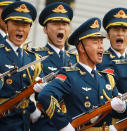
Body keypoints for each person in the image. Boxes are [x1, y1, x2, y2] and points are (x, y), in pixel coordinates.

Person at [38, 17, 127, 131]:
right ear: (81, 47)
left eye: (101, 42)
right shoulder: (70, 75)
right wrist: (64, 125)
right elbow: (45, 95)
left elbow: (120, 112)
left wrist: (123, 107)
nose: (101, 46)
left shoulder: (107, 78)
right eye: (95, 42)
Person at [31, 2, 78, 131]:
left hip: (72, 123)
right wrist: (32, 109)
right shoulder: (35, 55)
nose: (61, 28)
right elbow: (20, 89)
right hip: (45, 123)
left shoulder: (76, 59)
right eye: (56, 24)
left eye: (65, 24)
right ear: (45, 29)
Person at [0, 1, 43, 130]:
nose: (20, 29)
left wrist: (43, 89)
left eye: (25, 25)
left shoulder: (33, 58)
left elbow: (33, 95)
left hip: (23, 123)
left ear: (30, 28)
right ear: (6, 26)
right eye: (15, 24)